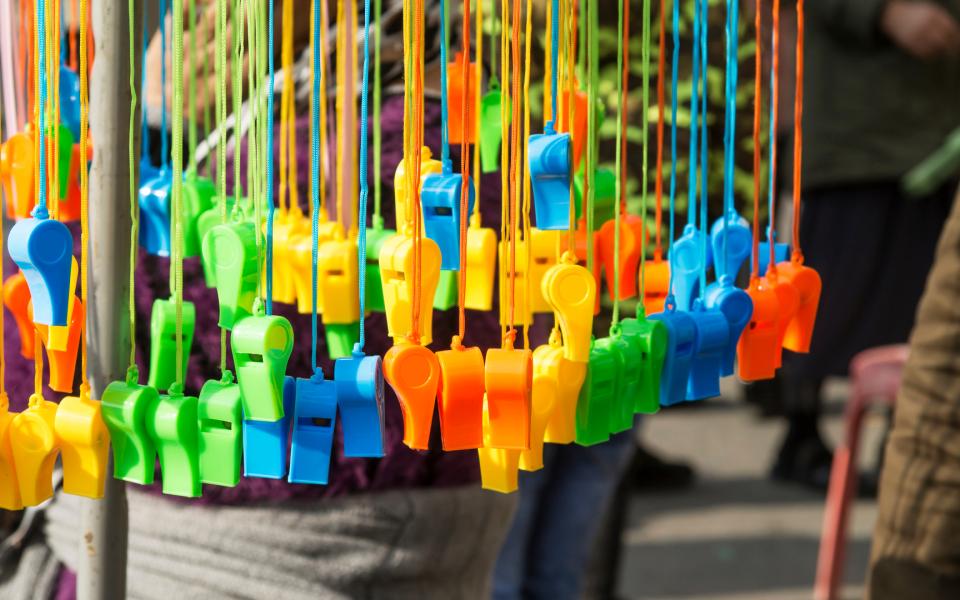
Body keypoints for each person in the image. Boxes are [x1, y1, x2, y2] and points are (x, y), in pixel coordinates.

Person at [771, 0, 960, 490]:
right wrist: (882, 11)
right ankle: (801, 430)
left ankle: (903, 438)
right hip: (855, 136)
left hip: (932, 129)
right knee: (830, 297)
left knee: (914, 310)